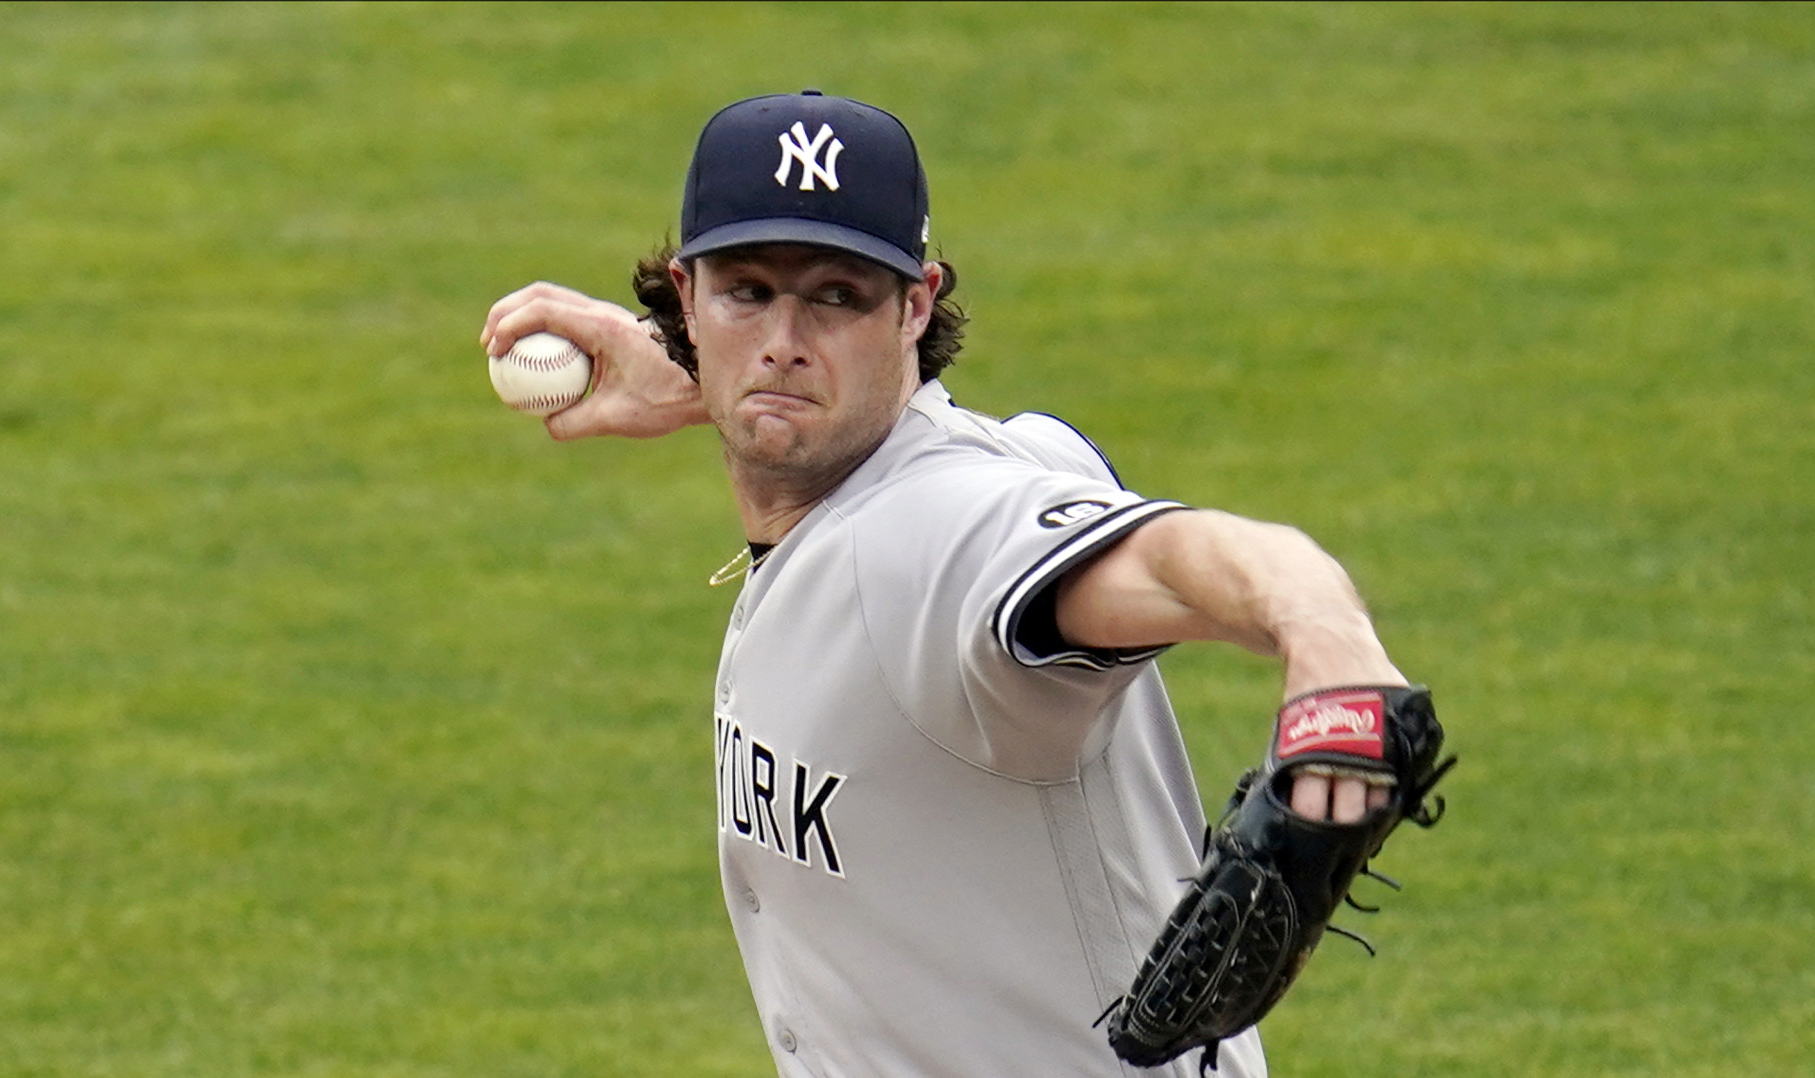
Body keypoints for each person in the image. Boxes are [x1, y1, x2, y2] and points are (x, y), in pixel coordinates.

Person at [480, 90, 1412, 1078]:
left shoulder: (941, 542)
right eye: (746, 291)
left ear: (916, 305)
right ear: (685, 293)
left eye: (838, 297)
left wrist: (1327, 638)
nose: (784, 338)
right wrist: (727, 390)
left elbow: (1175, 557)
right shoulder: (962, 464)